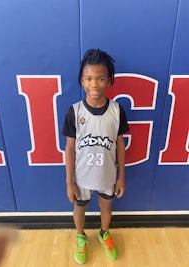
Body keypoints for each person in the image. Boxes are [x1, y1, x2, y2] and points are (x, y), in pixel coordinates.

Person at [62, 48, 129, 264]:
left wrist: (121, 176)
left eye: (100, 78)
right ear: (82, 80)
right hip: (81, 177)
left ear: (110, 81)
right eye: (89, 78)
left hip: (107, 174)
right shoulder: (75, 111)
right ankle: (81, 236)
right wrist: (69, 181)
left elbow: (120, 144)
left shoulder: (117, 111)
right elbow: (70, 148)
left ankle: (104, 233)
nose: (94, 84)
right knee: (79, 208)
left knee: (106, 207)